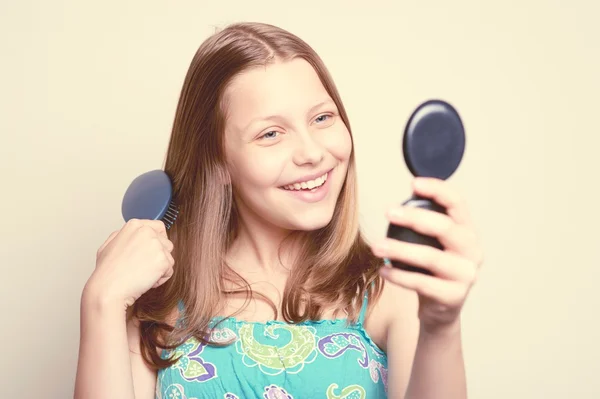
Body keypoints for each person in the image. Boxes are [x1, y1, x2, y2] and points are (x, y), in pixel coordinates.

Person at [74, 22, 483, 399]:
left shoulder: (389, 291)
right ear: (217, 163)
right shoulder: (159, 306)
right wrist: (101, 302)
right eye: (271, 133)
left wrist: (442, 328)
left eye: (322, 118)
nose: (311, 153)